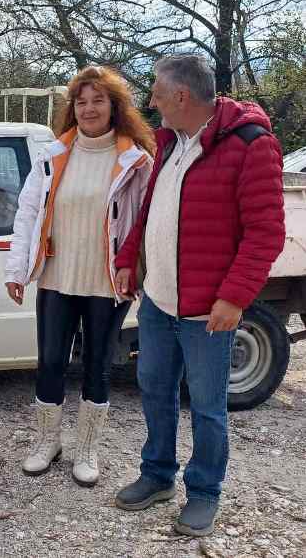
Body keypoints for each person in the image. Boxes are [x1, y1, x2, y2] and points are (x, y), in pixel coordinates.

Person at [113, 55, 285, 536]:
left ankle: (205, 492)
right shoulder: (170, 142)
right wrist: (129, 258)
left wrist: (234, 298)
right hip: (158, 301)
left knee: (207, 407)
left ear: (181, 96)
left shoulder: (251, 145)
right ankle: (157, 475)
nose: (152, 101)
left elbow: (266, 234)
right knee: (155, 389)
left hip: (207, 310)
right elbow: (150, 212)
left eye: (156, 92)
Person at [4, 65, 155, 487]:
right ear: (72, 108)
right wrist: (16, 268)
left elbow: (144, 223)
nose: (88, 109)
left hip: (106, 281)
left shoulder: (136, 161)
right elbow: (28, 214)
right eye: (81, 102)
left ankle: (87, 450)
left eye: (98, 101)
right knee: (51, 362)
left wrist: (135, 269)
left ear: (114, 106)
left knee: (97, 366)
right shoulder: (52, 156)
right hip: (56, 276)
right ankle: (47, 441)